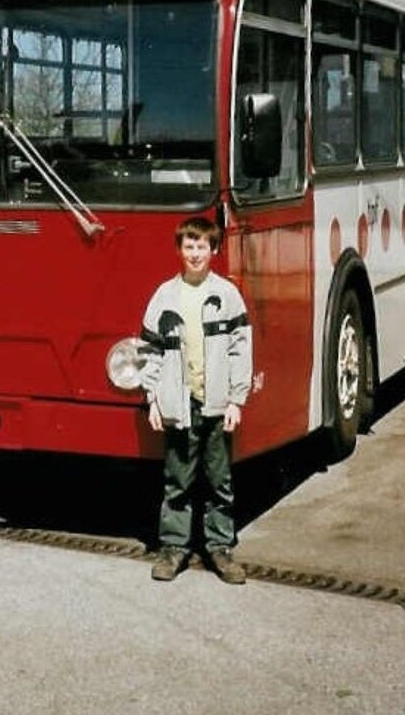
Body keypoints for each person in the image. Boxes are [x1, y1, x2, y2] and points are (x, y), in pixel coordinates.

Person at [138, 216, 252, 583]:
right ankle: (173, 549)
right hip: (179, 405)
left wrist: (236, 400)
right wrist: (154, 399)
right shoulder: (164, 297)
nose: (195, 254)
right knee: (178, 480)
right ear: (179, 250)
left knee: (219, 479)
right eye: (189, 246)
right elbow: (149, 352)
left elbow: (241, 349)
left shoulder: (227, 296)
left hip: (217, 403)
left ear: (214, 250)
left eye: (202, 246)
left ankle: (220, 549)